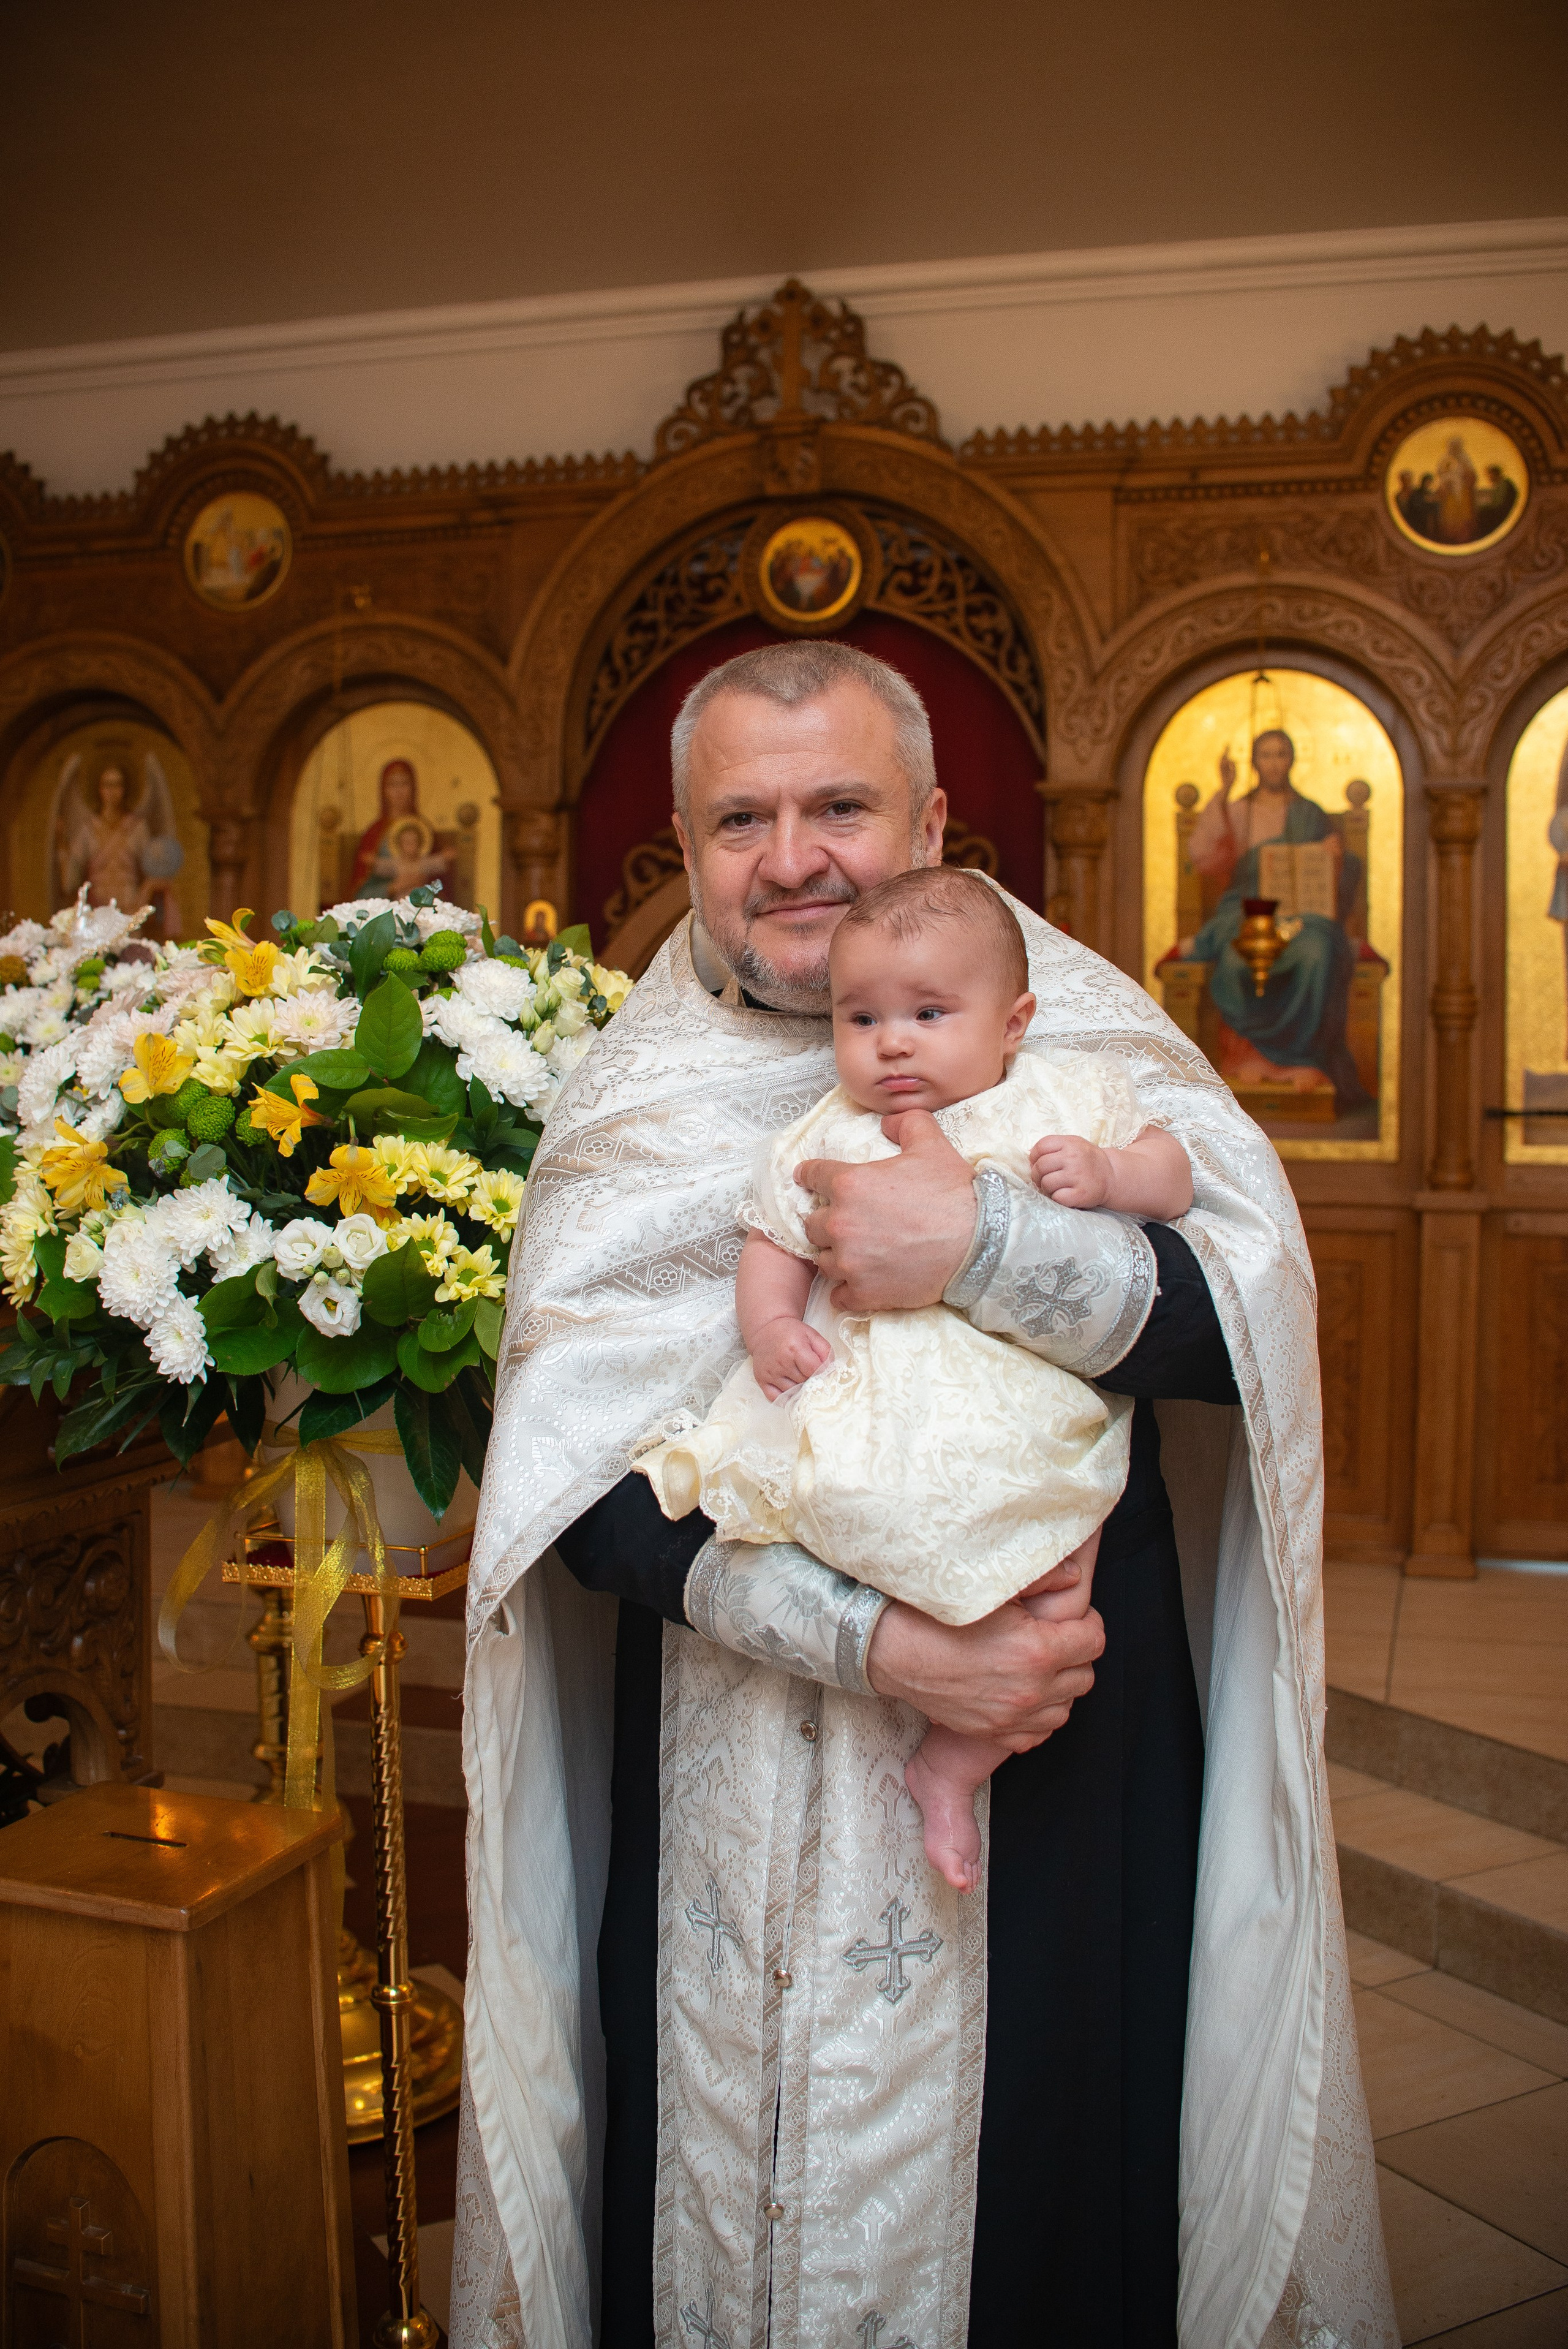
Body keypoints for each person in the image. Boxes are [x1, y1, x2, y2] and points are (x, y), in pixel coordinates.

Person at [450, 642, 1394, 2349]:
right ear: (682, 839)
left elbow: (1239, 1336)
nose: (794, 854)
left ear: (934, 818)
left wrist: (980, 1244)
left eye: (841, 804)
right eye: (743, 815)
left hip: (1059, 1767)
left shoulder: (1087, 1032)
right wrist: (882, 1649)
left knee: (1045, 2215)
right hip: (726, 1769)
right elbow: (572, 1491)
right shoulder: (630, 1111)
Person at [636, 865, 1193, 1893]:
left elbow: (1177, 1176)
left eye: (928, 1013)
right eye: (861, 1018)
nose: (891, 1041)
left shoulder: (1066, 1094)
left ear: (1014, 1020)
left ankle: (956, 1756)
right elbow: (774, 1240)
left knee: (1050, 1587)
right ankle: (922, 1675)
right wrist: (768, 1328)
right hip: (882, 1408)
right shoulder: (824, 1130)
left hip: (1023, 1412)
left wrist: (1111, 1178)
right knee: (847, 1498)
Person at [1178, 727, 1367, 1103]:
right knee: (1235, 960)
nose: (1274, 763)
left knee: (1318, 953)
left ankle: (1303, 1059)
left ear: (1293, 760)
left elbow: (1340, 872)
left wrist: (1334, 856)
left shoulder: (1309, 813)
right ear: (1255, 763)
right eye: (1266, 755)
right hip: (1248, 909)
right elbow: (1201, 854)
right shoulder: (1239, 810)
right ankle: (1250, 1056)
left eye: (1282, 754)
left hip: (1302, 916)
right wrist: (1225, 789)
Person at [349, 756, 420, 890]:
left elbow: (441, 885)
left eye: (404, 783)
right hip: (383, 906)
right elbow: (359, 891)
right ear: (384, 790)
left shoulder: (424, 831)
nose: (399, 791)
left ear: (413, 788)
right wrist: (392, 888)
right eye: (392, 785)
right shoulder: (374, 834)